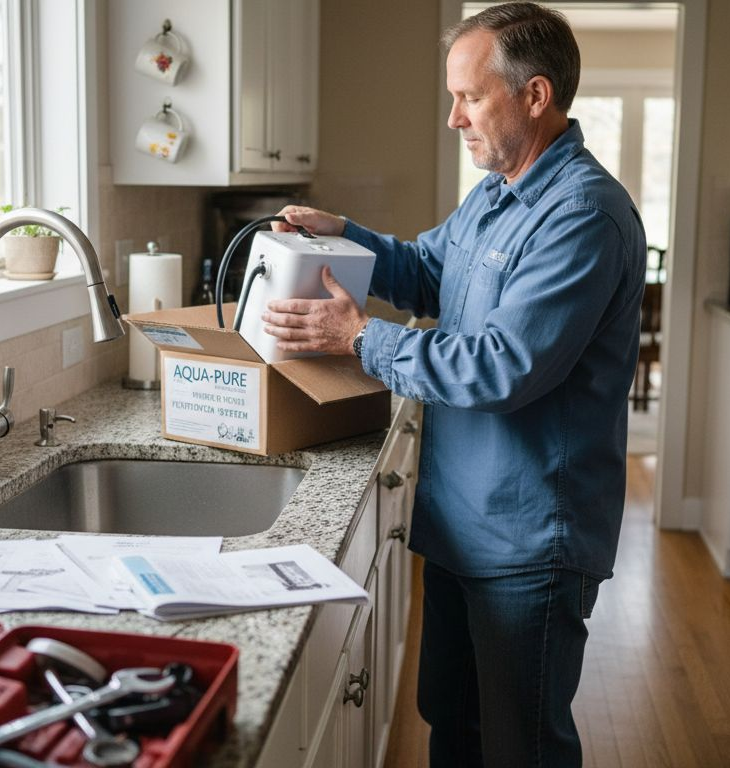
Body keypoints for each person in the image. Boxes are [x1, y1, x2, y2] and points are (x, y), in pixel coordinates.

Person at [262, 3, 646, 765]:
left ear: (535, 96)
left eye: (469, 97)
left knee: (519, 748)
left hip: (530, 540)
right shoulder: (496, 194)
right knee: (455, 724)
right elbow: (428, 270)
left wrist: (360, 338)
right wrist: (343, 234)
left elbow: (502, 366)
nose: (453, 118)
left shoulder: (582, 216)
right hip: (464, 526)